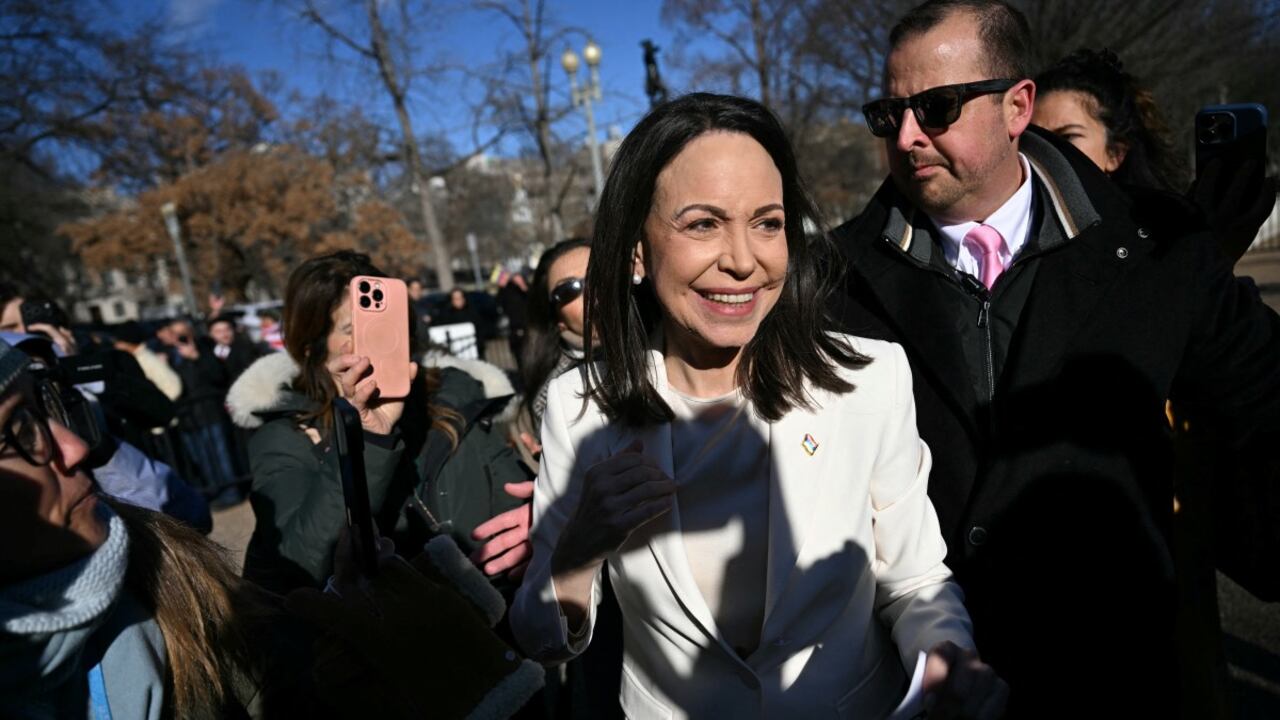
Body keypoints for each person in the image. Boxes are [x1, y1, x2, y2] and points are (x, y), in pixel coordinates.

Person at [830, 1, 1280, 715]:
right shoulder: (831, 283)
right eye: (889, 115)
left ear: (1017, 107)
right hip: (928, 695)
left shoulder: (1156, 256)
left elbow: (1265, 407)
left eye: (938, 107)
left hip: (1116, 687)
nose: (908, 136)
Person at [512, 92, 1006, 719]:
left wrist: (945, 655)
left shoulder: (868, 380)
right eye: (702, 224)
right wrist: (579, 550)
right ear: (637, 249)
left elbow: (914, 580)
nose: (743, 260)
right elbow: (539, 637)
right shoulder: (580, 407)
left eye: (767, 223)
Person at [0, 338, 543, 719]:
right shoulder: (278, 436)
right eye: (14, 432)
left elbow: (290, 679)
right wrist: (366, 445)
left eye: (43, 409)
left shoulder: (170, 570)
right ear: (309, 347)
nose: (73, 448)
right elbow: (296, 559)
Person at [227, 251, 532, 596]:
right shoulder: (286, 435)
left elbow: (516, 511)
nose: (373, 341)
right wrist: (369, 437)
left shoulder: (458, 398)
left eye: (382, 326)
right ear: (314, 347)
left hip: (489, 629)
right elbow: (304, 563)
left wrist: (539, 521)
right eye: (350, 329)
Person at [512, 237, 591, 471]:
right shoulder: (555, 397)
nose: (592, 290)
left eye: (600, 273)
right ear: (558, 320)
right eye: (569, 290)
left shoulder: (675, 342)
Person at [167, 318, 241, 508]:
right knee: (202, 458)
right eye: (175, 333)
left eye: (183, 332)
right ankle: (216, 490)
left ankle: (231, 492)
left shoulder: (205, 349)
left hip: (209, 412)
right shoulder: (168, 355)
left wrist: (195, 357)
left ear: (191, 332)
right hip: (187, 417)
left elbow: (218, 375)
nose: (180, 337)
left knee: (220, 454)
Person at [497, 270, 531, 371]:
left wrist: (523, 286)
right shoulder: (507, 291)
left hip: (529, 327)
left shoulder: (527, 289)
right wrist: (501, 287)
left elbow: (533, 300)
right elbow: (499, 304)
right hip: (514, 328)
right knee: (519, 357)